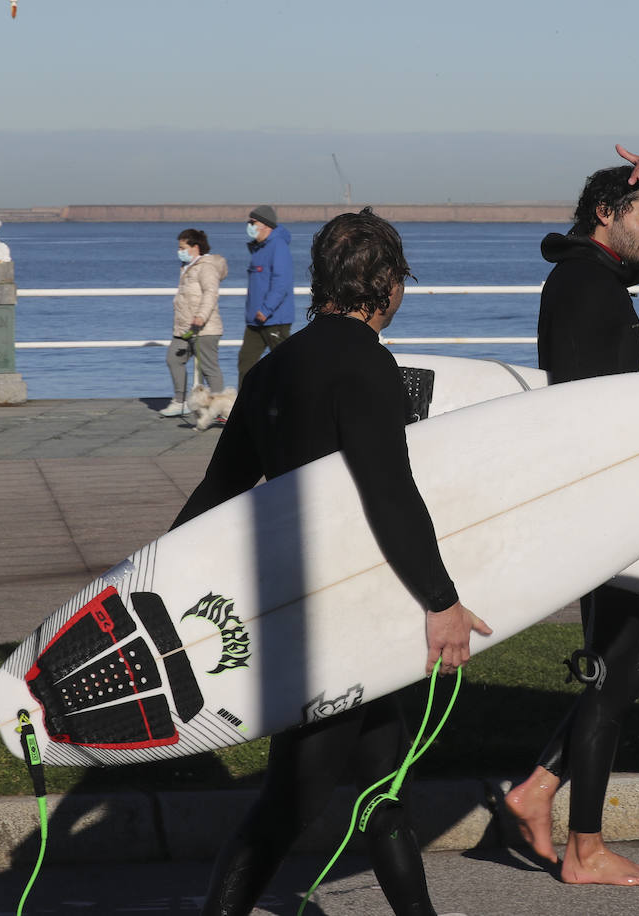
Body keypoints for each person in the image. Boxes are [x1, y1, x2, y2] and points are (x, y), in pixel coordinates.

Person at [172, 207, 492, 916]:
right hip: (341, 614)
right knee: (289, 802)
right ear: (385, 284)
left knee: (382, 787)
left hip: (306, 598)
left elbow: (220, 489)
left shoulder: (271, 368)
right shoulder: (367, 366)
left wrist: (156, 575)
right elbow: (389, 493)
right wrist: (441, 602)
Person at [504, 143, 639, 887]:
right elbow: (585, 411)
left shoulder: (597, 270)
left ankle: (535, 790)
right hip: (600, 499)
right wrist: (616, 505)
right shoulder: (587, 285)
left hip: (610, 496)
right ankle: (583, 850)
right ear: (606, 214)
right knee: (612, 668)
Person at [160, 228, 229, 417]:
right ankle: (180, 401)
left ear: (195, 247)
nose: (179, 251)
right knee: (173, 358)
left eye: (182, 247)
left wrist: (201, 316)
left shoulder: (206, 267)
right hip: (184, 328)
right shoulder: (186, 267)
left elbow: (210, 293)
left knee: (209, 368)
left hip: (205, 328)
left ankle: (221, 409)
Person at [235, 204, 294, 388]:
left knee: (284, 366)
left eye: (253, 222)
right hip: (255, 320)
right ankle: (245, 408)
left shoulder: (278, 246)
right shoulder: (259, 248)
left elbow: (281, 282)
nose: (249, 226)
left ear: (266, 225)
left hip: (274, 319)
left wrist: (266, 309)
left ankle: (291, 406)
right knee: (246, 362)